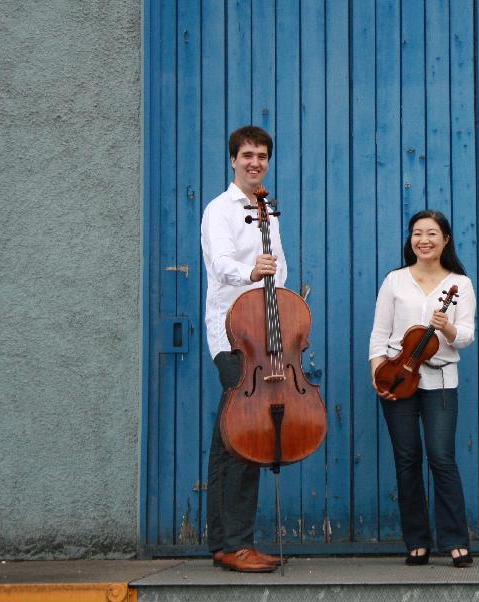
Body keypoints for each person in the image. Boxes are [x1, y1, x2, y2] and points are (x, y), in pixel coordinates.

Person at [369, 210, 477, 567]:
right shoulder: (395, 281)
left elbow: (465, 338)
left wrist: (445, 328)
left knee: (441, 458)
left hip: (441, 380)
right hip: (397, 377)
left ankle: (455, 540)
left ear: (445, 239)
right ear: (410, 239)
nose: (424, 240)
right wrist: (378, 372)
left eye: (432, 233)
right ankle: (416, 541)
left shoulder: (459, 284)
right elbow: (380, 335)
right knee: (407, 460)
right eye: (417, 233)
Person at [200, 125, 284, 573]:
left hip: (264, 336)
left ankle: (223, 543)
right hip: (232, 337)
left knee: (226, 442)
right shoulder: (220, 210)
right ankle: (236, 544)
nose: (256, 162)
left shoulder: (268, 211)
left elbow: (281, 267)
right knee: (245, 438)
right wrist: (254, 272)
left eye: (263, 156)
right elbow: (221, 264)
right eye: (248, 155)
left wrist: (277, 295)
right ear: (233, 160)